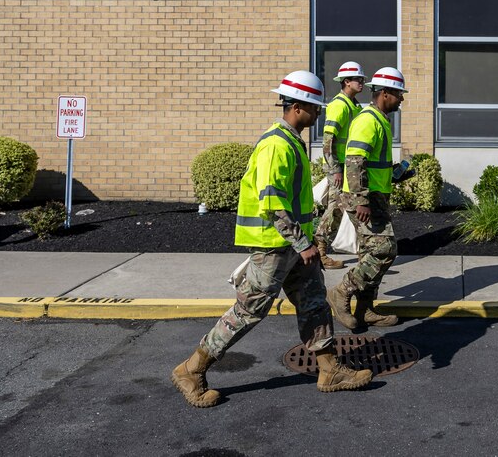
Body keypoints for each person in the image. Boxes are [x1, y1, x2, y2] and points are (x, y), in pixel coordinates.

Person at [171, 70, 372, 408]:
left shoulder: (291, 140)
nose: (319, 112)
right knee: (250, 310)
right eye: (314, 106)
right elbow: (271, 203)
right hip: (274, 246)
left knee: (314, 303)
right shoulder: (276, 145)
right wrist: (303, 244)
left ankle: (329, 370)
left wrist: (303, 244)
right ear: (296, 107)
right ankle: (192, 369)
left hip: (292, 246)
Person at [327, 66, 408, 330]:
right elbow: (354, 161)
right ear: (384, 93)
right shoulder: (368, 120)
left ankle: (365, 310)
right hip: (365, 199)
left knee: (367, 253)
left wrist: (394, 174)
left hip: (375, 195)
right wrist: (361, 199)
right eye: (398, 94)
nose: (402, 99)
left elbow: (372, 164)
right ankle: (341, 291)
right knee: (384, 250)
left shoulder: (379, 119)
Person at [315, 61, 365, 269]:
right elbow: (329, 140)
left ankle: (363, 250)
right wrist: (335, 169)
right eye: (358, 79)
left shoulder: (354, 105)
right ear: (346, 82)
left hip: (350, 168)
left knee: (350, 208)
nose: (362, 83)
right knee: (335, 209)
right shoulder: (339, 105)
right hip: (340, 168)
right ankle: (320, 252)